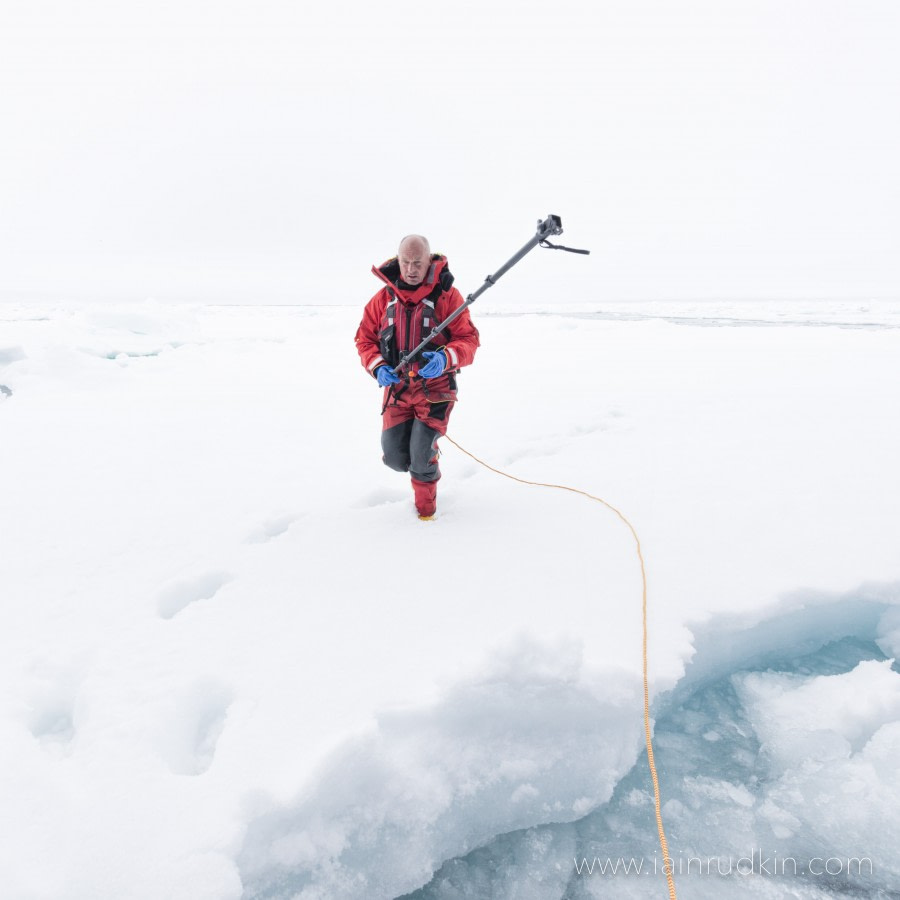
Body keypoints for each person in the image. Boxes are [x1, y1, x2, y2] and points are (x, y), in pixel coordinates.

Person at [355, 234, 480, 519]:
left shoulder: (449, 296)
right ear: (398, 261)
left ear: (429, 261)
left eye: (417, 263)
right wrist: (377, 366)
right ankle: (419, 456)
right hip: (397, 392)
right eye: (405, 262)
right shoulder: (382, 299)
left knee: (421, 457)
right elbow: (364, 340)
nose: (411, 269)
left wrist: (446, 357)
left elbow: (469, 340)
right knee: (397, 459)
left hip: (435, 390)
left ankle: (426, 515)